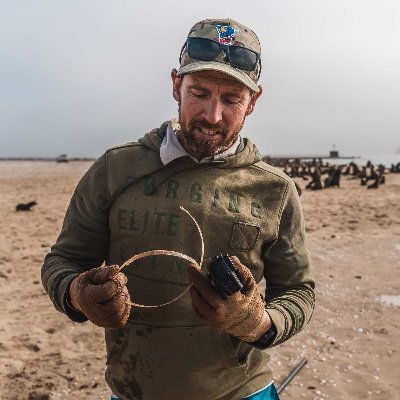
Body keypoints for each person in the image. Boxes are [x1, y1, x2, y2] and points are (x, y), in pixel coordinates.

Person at [41, 18, 315, 400]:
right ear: (176, 85)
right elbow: (63, 260)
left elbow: (298, 292)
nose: (212, 116)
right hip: (134, 388)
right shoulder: (114, 169)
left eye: (232, 99)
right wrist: (76, 294)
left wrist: (256, 323)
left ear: (253, 101)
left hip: (240, 390)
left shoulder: (276, 190)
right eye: (199, 92)